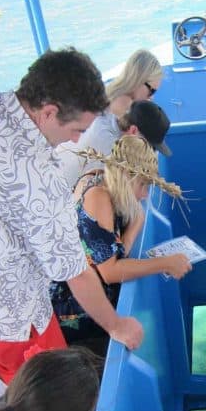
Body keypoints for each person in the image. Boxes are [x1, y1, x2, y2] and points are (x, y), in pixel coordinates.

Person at [0, 48, 143, 384]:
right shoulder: (40, 178)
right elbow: (76, 272)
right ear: (48, 112)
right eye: (75, 130)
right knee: (47, 410)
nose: (76, 141)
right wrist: (117, 325)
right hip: (16, 325)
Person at [51, 136, 192, 344]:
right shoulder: (98, 198)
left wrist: (136, 222)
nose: (145, 195)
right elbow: (110, 272)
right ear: (127, 177)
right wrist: (166, 263)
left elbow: (115, 251)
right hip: (78, 307)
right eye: (143, 185)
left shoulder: (97, 175)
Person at [57, 99, 173, 190]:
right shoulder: (109, 148)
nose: (149, 151)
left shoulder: (108, 118)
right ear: (133, 131)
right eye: (149, 146)